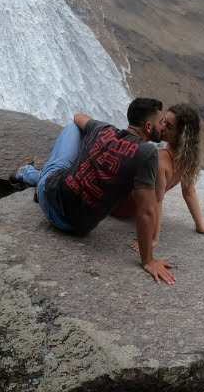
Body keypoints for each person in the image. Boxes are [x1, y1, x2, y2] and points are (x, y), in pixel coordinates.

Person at [15, 105, 176, 284]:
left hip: (50, 197)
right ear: (148, 127)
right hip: (76, 227)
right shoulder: (146, 153)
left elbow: (77, 117)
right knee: (64, 169)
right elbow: (147, 210)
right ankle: (31, 176)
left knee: (72, 129)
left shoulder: (103, 129)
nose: (163, 126)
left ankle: (26, 173)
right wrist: (148, 261)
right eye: (161, 122)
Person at [125, 103, 204, 254]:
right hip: (138, 204)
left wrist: (153, 238)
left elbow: (156, 201)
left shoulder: (160, 159)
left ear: (181, 135)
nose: (162, 127)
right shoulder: (187, 159)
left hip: (126, 206)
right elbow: (189, 192)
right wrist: (200, 225)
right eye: (163, 121)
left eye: (169, 126)